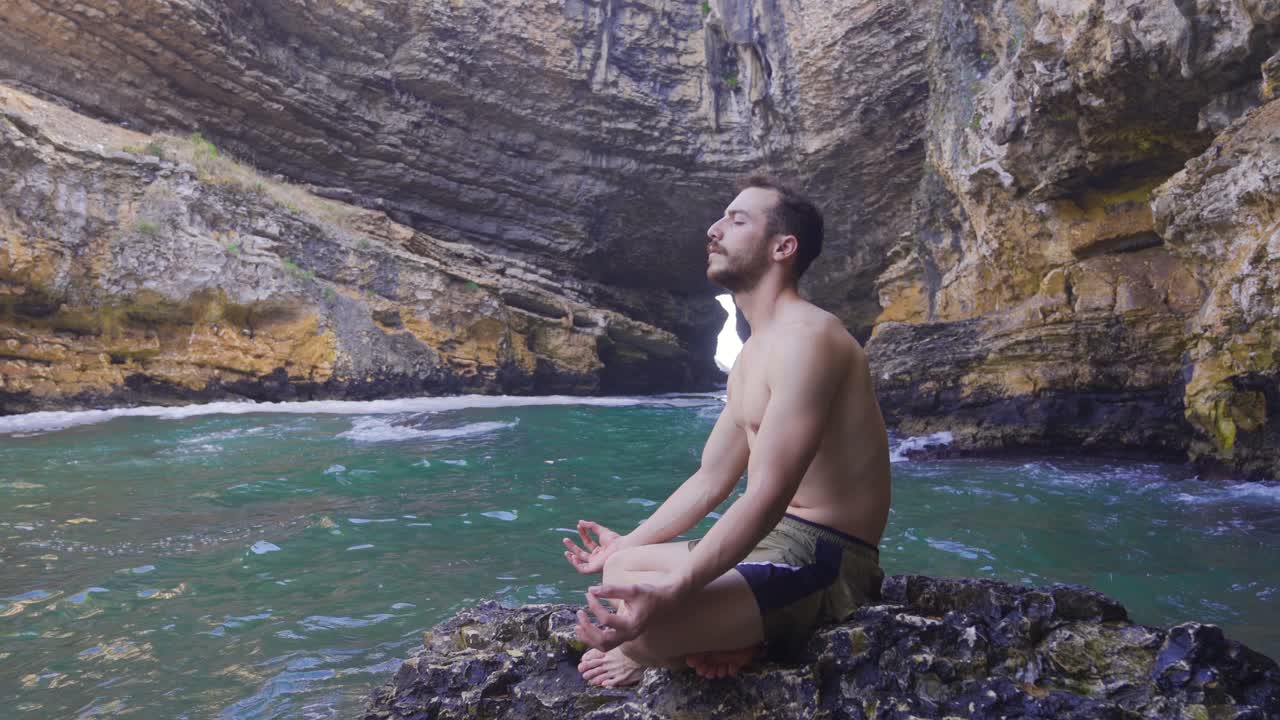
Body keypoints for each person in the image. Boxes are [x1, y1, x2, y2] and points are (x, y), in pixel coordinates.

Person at [563, 176, 891, 688]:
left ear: (783, 247)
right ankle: (735, 630)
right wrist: (625, 542)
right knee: (623, 572)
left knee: (643, 636)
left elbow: (767, 493)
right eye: (721, 219)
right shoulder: (754, 353)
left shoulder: (810, 339)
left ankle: (735, 634)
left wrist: (678, 588)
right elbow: (710, 479)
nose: (714, 230)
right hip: (774, 542)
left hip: (825, 555)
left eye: (738, 221)